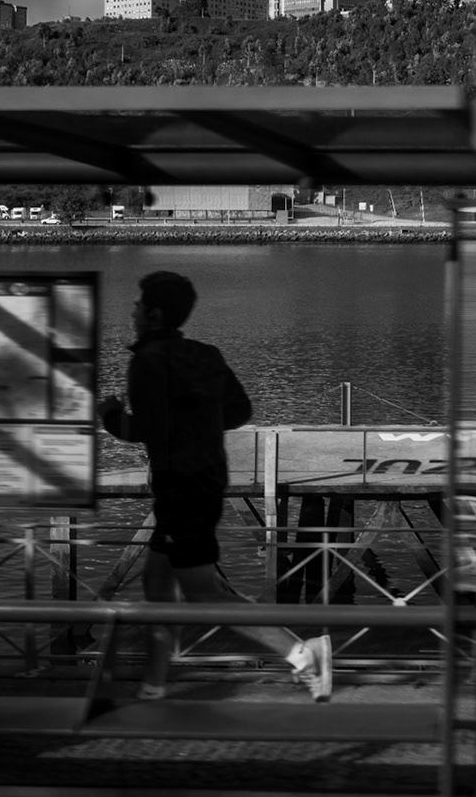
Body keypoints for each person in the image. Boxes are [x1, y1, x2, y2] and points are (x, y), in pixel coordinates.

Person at [100, 271, 332, 702]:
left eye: (137, 303)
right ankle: (154, 684)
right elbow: (240, 410)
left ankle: (303, 654)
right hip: (207, 480)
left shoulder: (148, 362)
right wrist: (198, 423)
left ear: (153, 314)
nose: (131, 310)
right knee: (156, 584)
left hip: (181, 488)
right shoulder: (207, 355)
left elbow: (147, 429)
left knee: (202, 591)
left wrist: (111, 416)